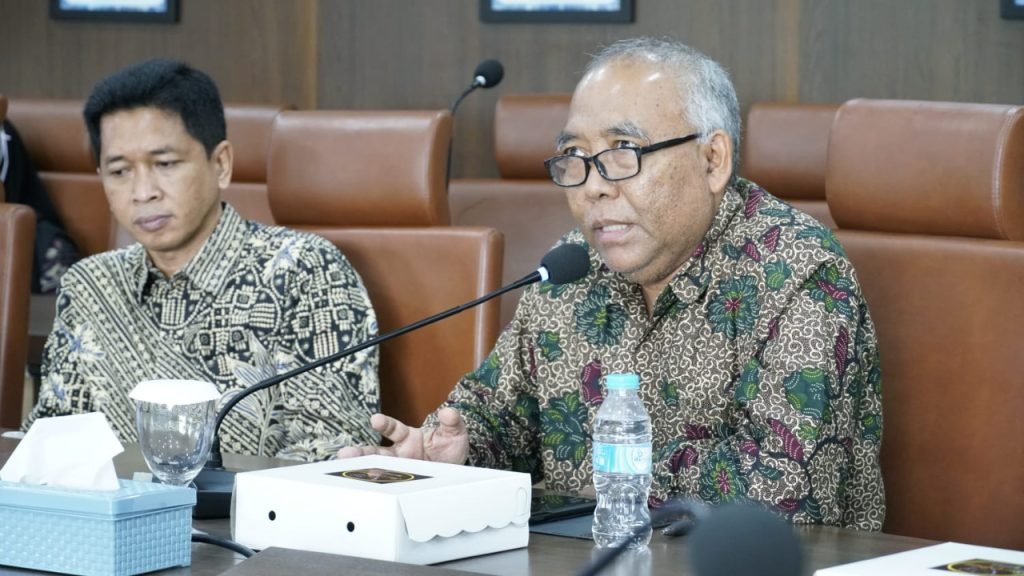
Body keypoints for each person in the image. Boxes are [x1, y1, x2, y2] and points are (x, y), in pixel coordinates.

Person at [339, 37, 885, 530]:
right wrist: (454, 454)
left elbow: (785, 492)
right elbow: (499, 414)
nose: (593, 187)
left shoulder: (797, 272)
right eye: (574, 157)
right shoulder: (572, 267)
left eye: (623, 151)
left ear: (712, 160)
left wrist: (604, 481)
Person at [23, 59, 381, 461]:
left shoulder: (304, 271)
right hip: (110, 503)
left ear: (221, 164)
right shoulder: (90, 286)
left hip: (254, 504)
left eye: (165, 164)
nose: (143, 192)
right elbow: (48, 443)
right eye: (119, 171)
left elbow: (336, 449)